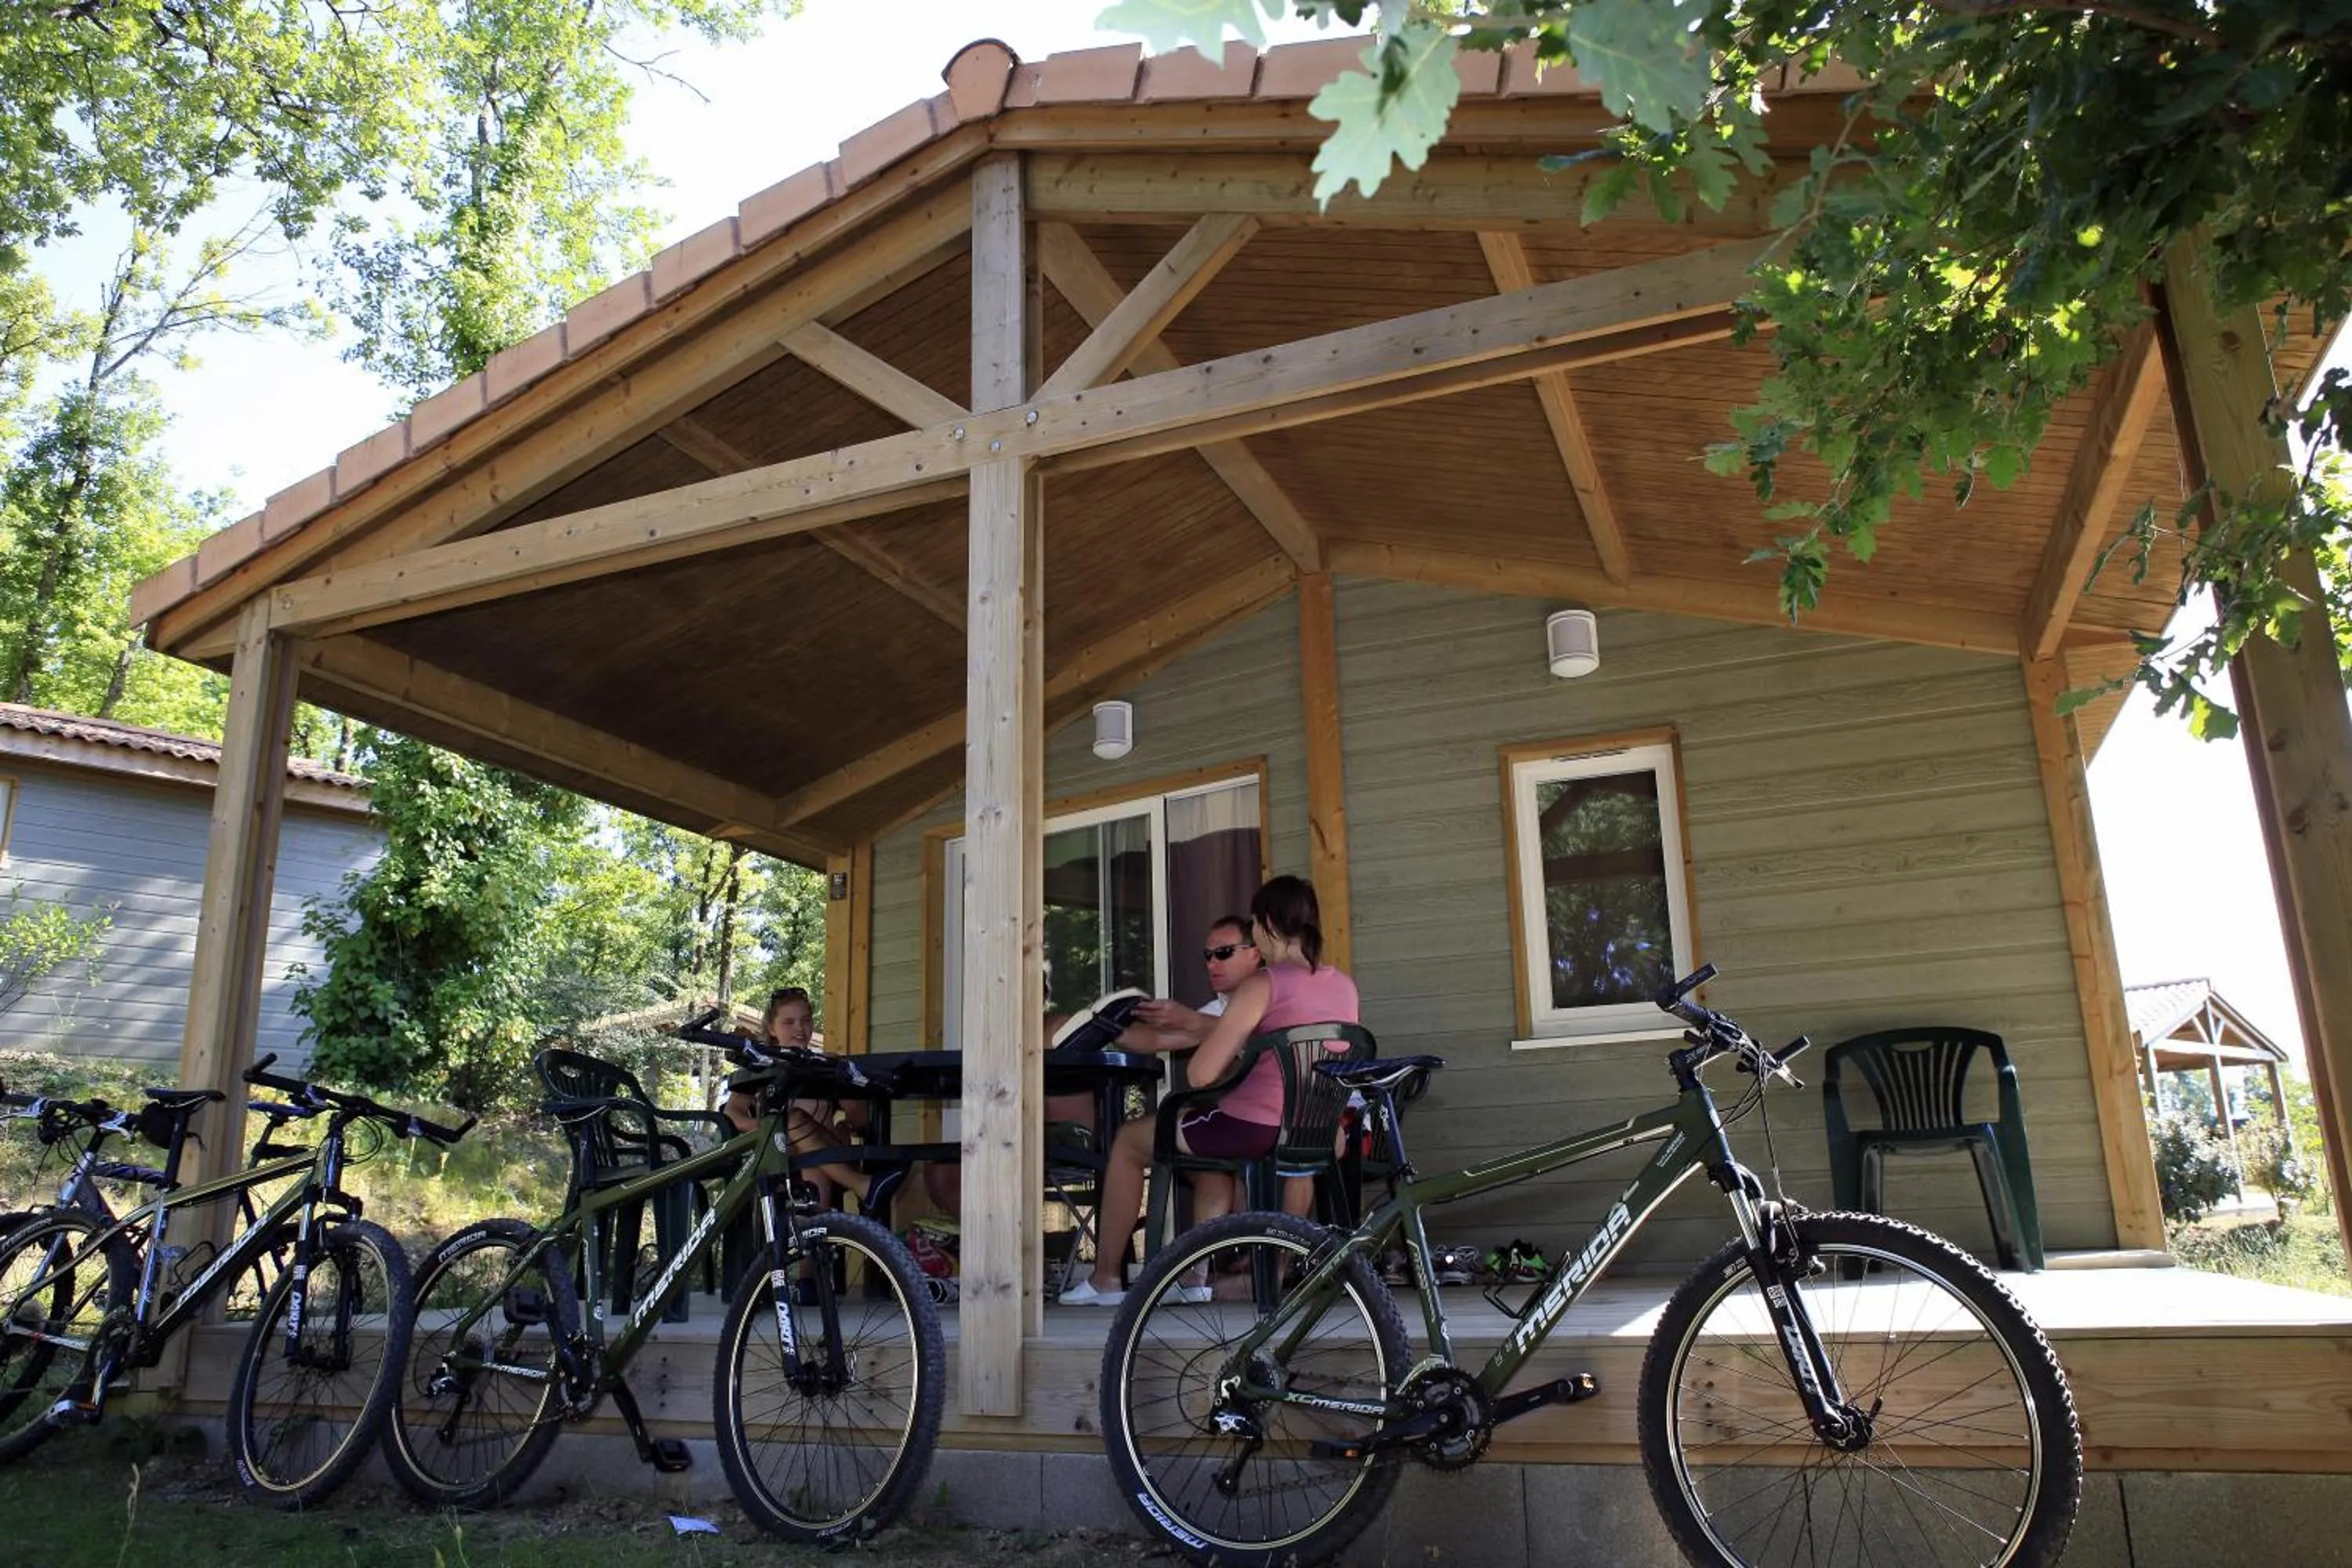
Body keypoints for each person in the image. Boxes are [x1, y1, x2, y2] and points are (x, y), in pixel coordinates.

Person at [1062, 875, 1358, 1306]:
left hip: (1252, 1125)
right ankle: (1273, 1271)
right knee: (1294, 1160)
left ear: (1267, 925)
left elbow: (1201, 1075)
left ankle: (1106, 1279)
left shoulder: (1263, 985)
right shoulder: (1342, 985)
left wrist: (1223, 1037)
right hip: (1316, 1126)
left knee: (1129, 1141)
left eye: (1254, 925)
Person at [724, 986, 903, 1215]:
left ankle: (814, 1237)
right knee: (792, 1123)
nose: (799, 1028)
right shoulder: (761, 1065)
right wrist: (772, 1129)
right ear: (772, 1028)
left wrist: (841, 1084)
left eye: (806, 1020)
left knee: (812, 1156)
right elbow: (732, 1114)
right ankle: (862, 1189)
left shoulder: (825, 1063)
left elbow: (859, 1120)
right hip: (779, 1155)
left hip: (827, 1156)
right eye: (789, 1022)